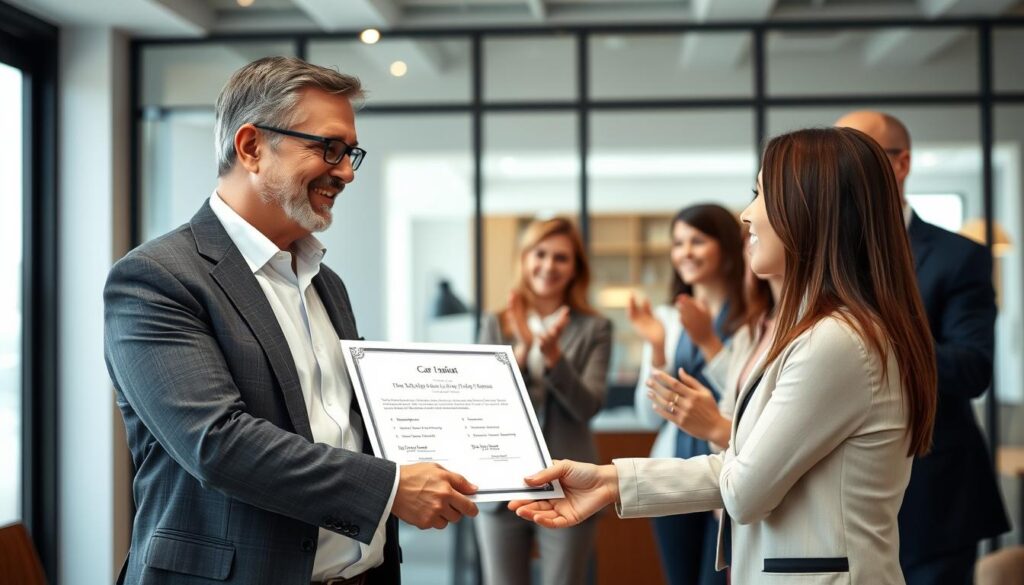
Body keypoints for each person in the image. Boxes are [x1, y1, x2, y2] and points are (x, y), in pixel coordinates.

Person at [104, 56, 478, 585]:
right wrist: (392, 489)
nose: (346, 171)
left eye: (351, 153)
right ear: (252, 146)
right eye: (329, 148)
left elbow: (346, 425)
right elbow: (217, 442)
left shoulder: (327, 282)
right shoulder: (156, 278)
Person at [510, 127, 938, 585]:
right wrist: (609, 481)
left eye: (761, 194)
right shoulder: (825, 333)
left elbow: (744, 490)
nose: (747, 215)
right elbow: (743, 466)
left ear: (813, 211)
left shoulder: (836, 342)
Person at [836, 110, 1010, 585]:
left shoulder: (958, 257)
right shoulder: (826, 261)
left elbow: (972, 369)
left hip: (932, 495)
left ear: (900, 164)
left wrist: (879, 332)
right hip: (840, 498)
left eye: (859, 156)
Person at [475, 217, 612, 585]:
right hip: (501, 481)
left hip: (568, 483)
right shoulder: (495, 322)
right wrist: (521, 351)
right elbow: (481, 399)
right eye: (541, 254)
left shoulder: (594, 327)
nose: (549, 266)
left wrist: (553, 357)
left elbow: (589, 406)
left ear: (575, 269)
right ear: (525, 258)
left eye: (561, 258)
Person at [628, 204, 746, 585]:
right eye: (678, 243)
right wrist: (658, 350)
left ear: (726, 247)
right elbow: (649, 419)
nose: (686, 252)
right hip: (672, 475)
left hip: (725, 477)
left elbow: (751, 399)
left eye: (698, 240)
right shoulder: (665, 317)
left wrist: (709, 343)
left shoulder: (751, 316)